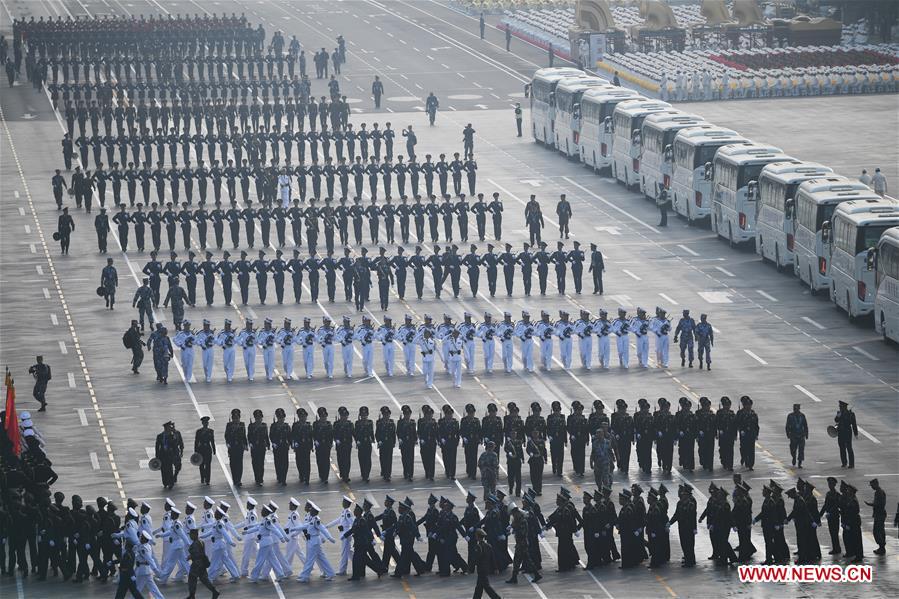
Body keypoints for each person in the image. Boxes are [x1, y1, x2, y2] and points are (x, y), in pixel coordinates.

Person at [185, 528, 219, 598]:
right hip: (202, 563)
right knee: (204, 580)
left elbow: (197, 554)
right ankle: (214, 591)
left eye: (191, 535)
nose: (190, 536)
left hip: (197, 564)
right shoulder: (201, 541)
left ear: (195, 535)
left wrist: (190, 557)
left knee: (192, 579)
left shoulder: (195, 544)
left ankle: (192, 595)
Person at [834, 400, 858, 468]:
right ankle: (844, 462)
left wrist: (855, 433)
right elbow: (836, 420)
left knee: (849, 448)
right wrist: (838, 415)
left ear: (844, 407)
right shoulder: (839, 413)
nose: (839, 407)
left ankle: (851, 464)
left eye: (840, 406)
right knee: (842, 448)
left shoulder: (851, 414)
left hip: (847, 432)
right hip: (840, 432)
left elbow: (854, 424)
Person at [785, 404, 808, 468]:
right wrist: (788, 434)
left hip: (801, 435)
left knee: (801, 450)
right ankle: (794, 457)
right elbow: (787, 426)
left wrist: (806, 434)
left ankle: (800, 463)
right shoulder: (790, 416)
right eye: (794, 409)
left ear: (799, 409)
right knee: (793, 449)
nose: (796, 410)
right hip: (793, 435)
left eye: (797, 409)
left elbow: (805, 425)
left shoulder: (802, 416)